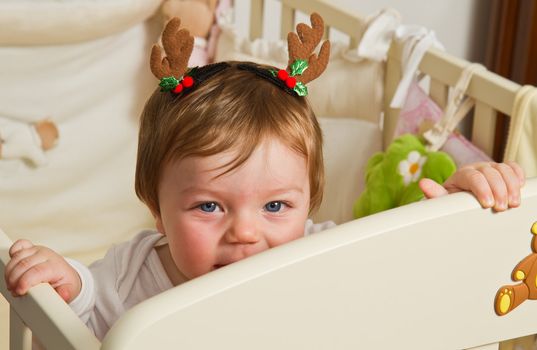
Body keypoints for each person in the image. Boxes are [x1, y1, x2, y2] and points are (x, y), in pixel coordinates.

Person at [3, 14, 525, 341]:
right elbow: (87, 311)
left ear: (310, 203)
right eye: (209, 206)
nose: (246, 233)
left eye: (276, 206)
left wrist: (455, 206)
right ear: (154, 207)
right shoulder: (134, 273)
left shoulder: (327, 252)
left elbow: (403, 268)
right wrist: (68, 286)